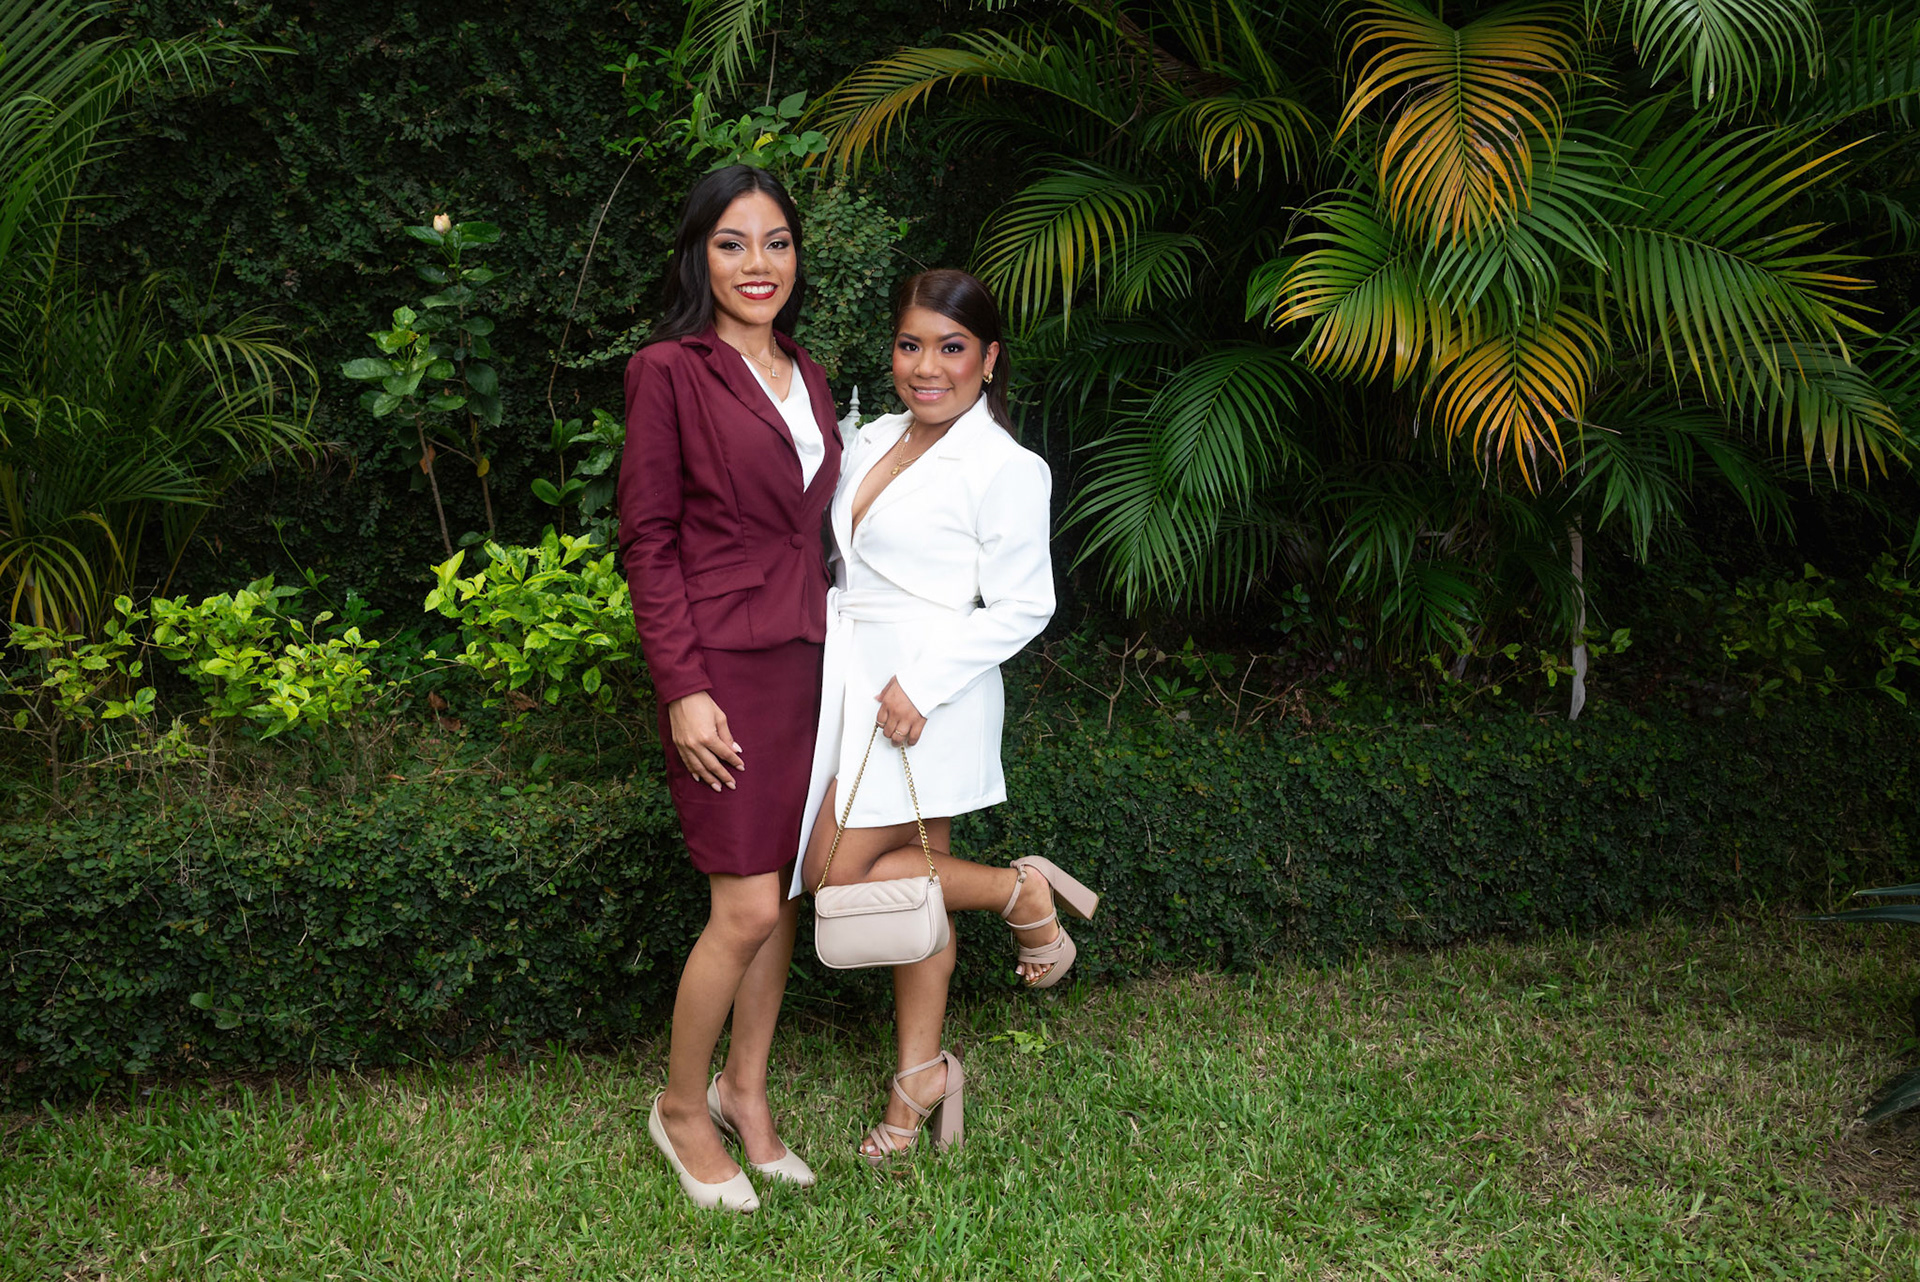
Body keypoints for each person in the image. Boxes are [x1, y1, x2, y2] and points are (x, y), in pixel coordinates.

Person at [797, 269, 1099, 1164]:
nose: (926, 367)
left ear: (989, 358)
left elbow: (1025, 605)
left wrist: (921, 687)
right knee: (917, 880)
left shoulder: (1006, 467)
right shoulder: (873, 436)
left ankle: (1018, 891)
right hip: (853, 680)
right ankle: (920, 1076)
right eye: (910, 345)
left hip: (926, 698)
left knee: (832, 871)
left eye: (951, 347)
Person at [618, 165, 841, 1212]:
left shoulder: (810, 371)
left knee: (782, 891)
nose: (760, 264)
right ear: (696, 256)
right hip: (720, 668)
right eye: (733, 243)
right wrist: (682, 687)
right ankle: (679, 1108)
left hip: (810, 660)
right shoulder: (667, 369)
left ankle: (745, 1094)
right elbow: (648, 541)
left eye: (777, 242)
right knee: (743, 904)